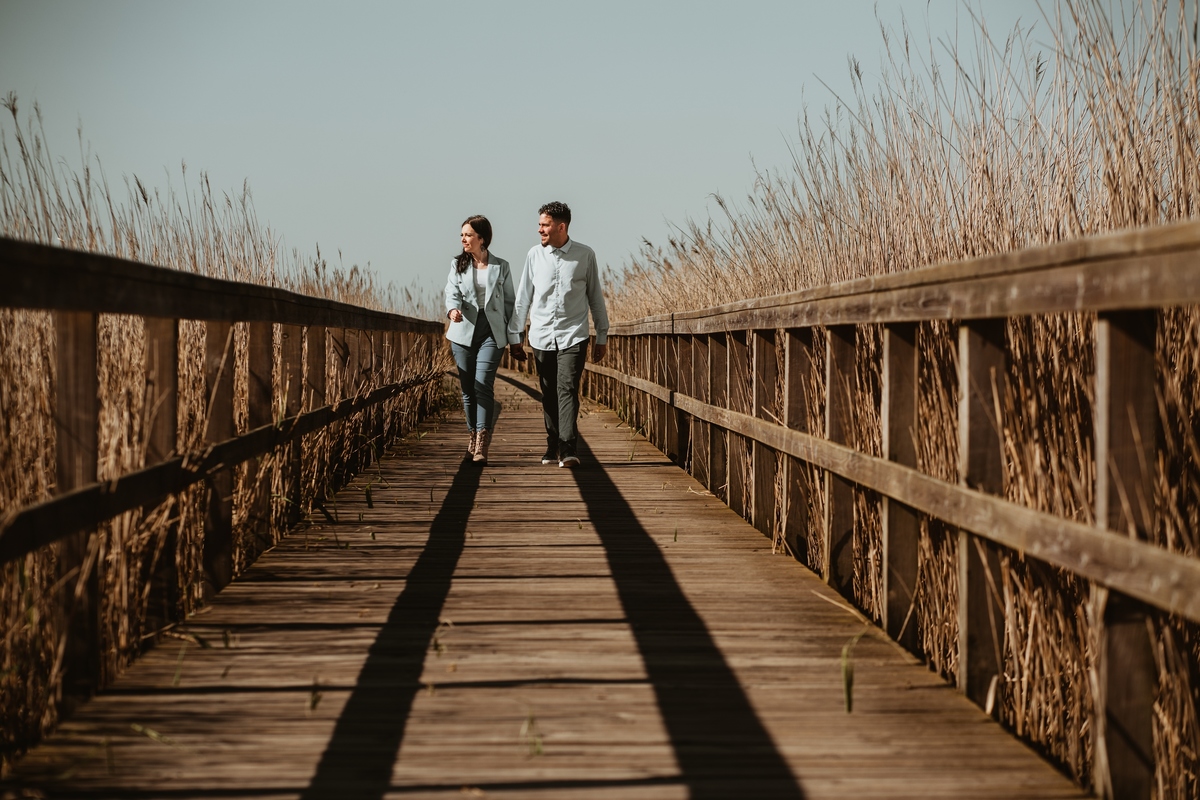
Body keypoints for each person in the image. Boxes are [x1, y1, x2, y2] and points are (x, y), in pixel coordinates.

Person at [508, 201, 609, 468]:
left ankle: (567, 448)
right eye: (540, 224)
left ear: (560, 226)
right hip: (541, 334)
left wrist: (602, 335)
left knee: (567, 388)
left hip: (573, 334)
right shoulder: (533, 255)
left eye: (545, 225)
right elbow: (523, 299)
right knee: (548, 391)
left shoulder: (585, 255)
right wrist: (515, 335)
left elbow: (595, 297)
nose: (539, 229)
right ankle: (552, 444)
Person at [444, 214, 523, 464]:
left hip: (492, 331)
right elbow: (451, 292)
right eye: (462, 235)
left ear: (482, 238)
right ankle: (472, 434)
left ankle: (482, 441)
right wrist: (452, 309)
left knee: (483, 384)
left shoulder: (502, 266)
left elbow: (511, 303)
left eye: (468, 235)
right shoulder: (457, 264)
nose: (463, 239)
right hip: (463, 331)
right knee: (468, 390)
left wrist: (514, 338)